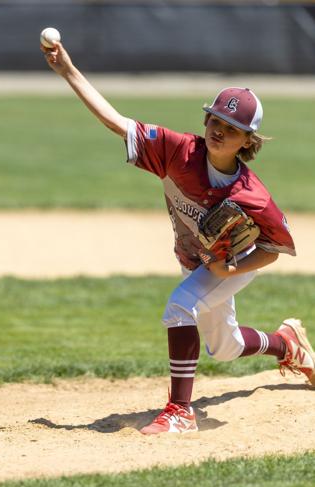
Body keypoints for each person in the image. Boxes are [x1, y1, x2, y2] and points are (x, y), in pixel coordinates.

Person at [42, 42, 315, 435]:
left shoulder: (252, 195)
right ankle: (286, 344)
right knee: (226, 347)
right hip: (199, 261)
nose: (219, 131)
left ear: (248, 141)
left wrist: (231, 267)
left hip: (234, 265)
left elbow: (276, 249)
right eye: (215, 121)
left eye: (232, 128)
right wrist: (67, 70)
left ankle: (180, 412)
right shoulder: (177, 152)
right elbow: (115, 122)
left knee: (179, 306)